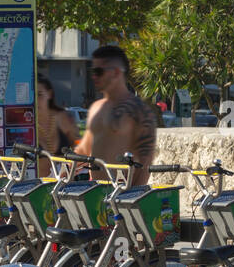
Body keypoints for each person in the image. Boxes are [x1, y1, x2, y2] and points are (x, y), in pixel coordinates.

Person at [75, 45, 157, 185]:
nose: (94, 76)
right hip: (95, 192)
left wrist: (132, 198)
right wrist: (60, 174)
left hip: (121, 194)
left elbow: (146, 161)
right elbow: (84, 149)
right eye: (92, 71)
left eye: (98, 71)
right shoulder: (96, 108)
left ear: (116, 72)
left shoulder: (139, 110)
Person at [35, 74, 81, 176]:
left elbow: (78, 144)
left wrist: (74, 161)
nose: (35, 100)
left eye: (39, 94)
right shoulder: (25, 124)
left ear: (49, 94)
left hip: (63, 185)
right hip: (36, 187)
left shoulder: (62, 117)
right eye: (32, 95)